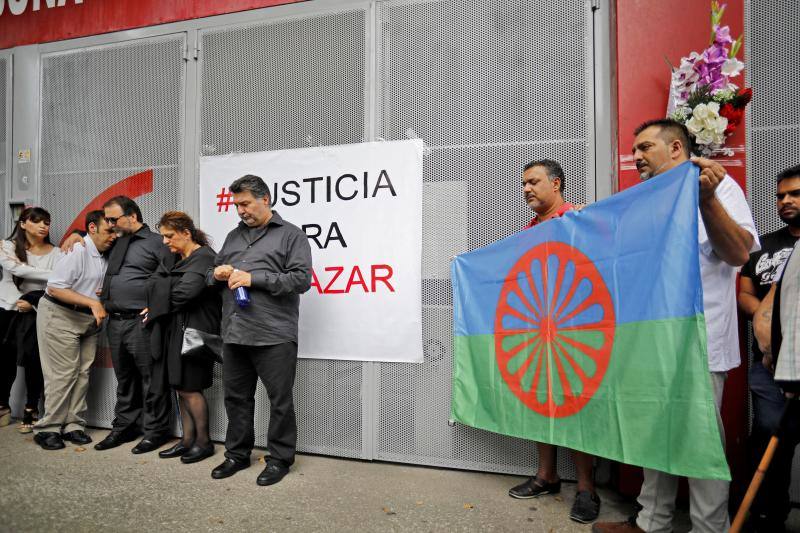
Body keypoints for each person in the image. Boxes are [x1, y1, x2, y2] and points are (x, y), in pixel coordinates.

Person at [593, 118, 759, 533]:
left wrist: (706, 200)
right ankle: (652, 522)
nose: (636, 157)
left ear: (676, 150)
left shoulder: (718, 187)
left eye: (645, 147)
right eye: (635, 150)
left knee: (699, 438)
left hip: (699, 342)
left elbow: (739, 253)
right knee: (655, 431)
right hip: (652, 341)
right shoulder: (643, 201)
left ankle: (709, 528)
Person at [506, 159, 600, 523]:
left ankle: (587, 488)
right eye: (524, 183)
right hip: (539, 329)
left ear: (556, 183)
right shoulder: (530, 228)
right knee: (541, 404)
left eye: (534, 181)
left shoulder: (577, 218)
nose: (526, 188)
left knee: (575, 409)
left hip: (576, 331)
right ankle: (547, 476)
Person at [207, 174, 312, 486]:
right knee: (236, 399)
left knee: (280, 401)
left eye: (246, 203)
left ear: (265, 199)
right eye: (236, 204)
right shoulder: (232, 237)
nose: (240, 210)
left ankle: (279, 459)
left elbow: (301, 279)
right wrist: (216, 273)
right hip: (234, 332)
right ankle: (237, 455)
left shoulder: (291, 236)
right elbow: (210, 278)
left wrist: (255, 279)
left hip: (274, 334)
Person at [737, 164, 800, 532]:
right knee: (769, 437)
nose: (786, 201)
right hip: (768, 365)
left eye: (794, 193)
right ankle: (768, 517)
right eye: (780, 195)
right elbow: (745, 293)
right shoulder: (763, 246)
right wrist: (763, 311)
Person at [90, 196, 174, 453]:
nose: (110, 224)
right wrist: (73, 237)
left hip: (142, 322)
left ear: (133, 216)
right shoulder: (115, 241)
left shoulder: (157, 242)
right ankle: (125, 427)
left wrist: (158, 305)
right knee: (125, 379)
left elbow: (172, 276)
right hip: (115, 322)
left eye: (114, 219)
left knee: (151, 379)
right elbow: (87, 240)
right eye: (107, 220)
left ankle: (155, 432)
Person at [32, 211, 116, 450]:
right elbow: (56, 287)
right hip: (60, 315)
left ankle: (72, 425)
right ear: (92, 228)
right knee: (62, 374)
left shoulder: (105, 253)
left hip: (87, 321)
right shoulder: (77, 250)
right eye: (108, 231)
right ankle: (47, 428)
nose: (113, 237)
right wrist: (93, 302)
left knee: (82, 374)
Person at [144, 211, 221, 464]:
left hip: (194, 333)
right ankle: (187, 441)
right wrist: (159, 302)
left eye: (169, 236)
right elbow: (165, 289)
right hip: (177, 329)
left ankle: (203, 443)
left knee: (190, 387)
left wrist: (156, 306)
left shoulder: (204, 258)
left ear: (186, 233)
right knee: (180, 387)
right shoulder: (180, 259)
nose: (165, 241)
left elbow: (183, 294)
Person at [0, 207, 62, 433]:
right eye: (37, 221)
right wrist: (54, 273)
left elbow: (57, 285)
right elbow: (14, 269)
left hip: (37, 309)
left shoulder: (56, 253)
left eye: (47, 222)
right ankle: (3, 405)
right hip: (8, 307)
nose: (44, 226)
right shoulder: (6, 246)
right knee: (4, 359)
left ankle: (31, 407)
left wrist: (32, 300)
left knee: (34, 360)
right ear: (23, 224)